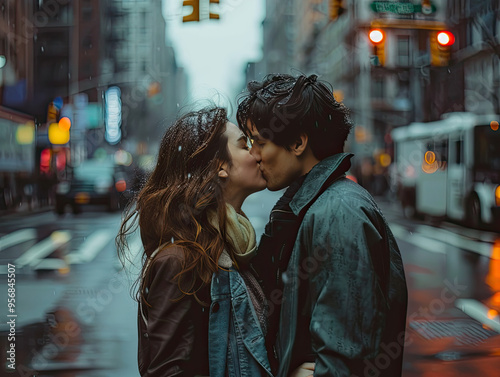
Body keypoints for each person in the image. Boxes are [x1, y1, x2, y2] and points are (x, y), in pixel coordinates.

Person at [116, 107, 313, 377]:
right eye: (245, 146)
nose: (257, 154)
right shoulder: (179, 262)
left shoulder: (233, 250)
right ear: (219, 167)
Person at [236, 74, 408, 377]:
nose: (254, 155)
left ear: (299, 142)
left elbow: (345, 358)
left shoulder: (338, 214)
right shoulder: (311, 207)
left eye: (260, 142)